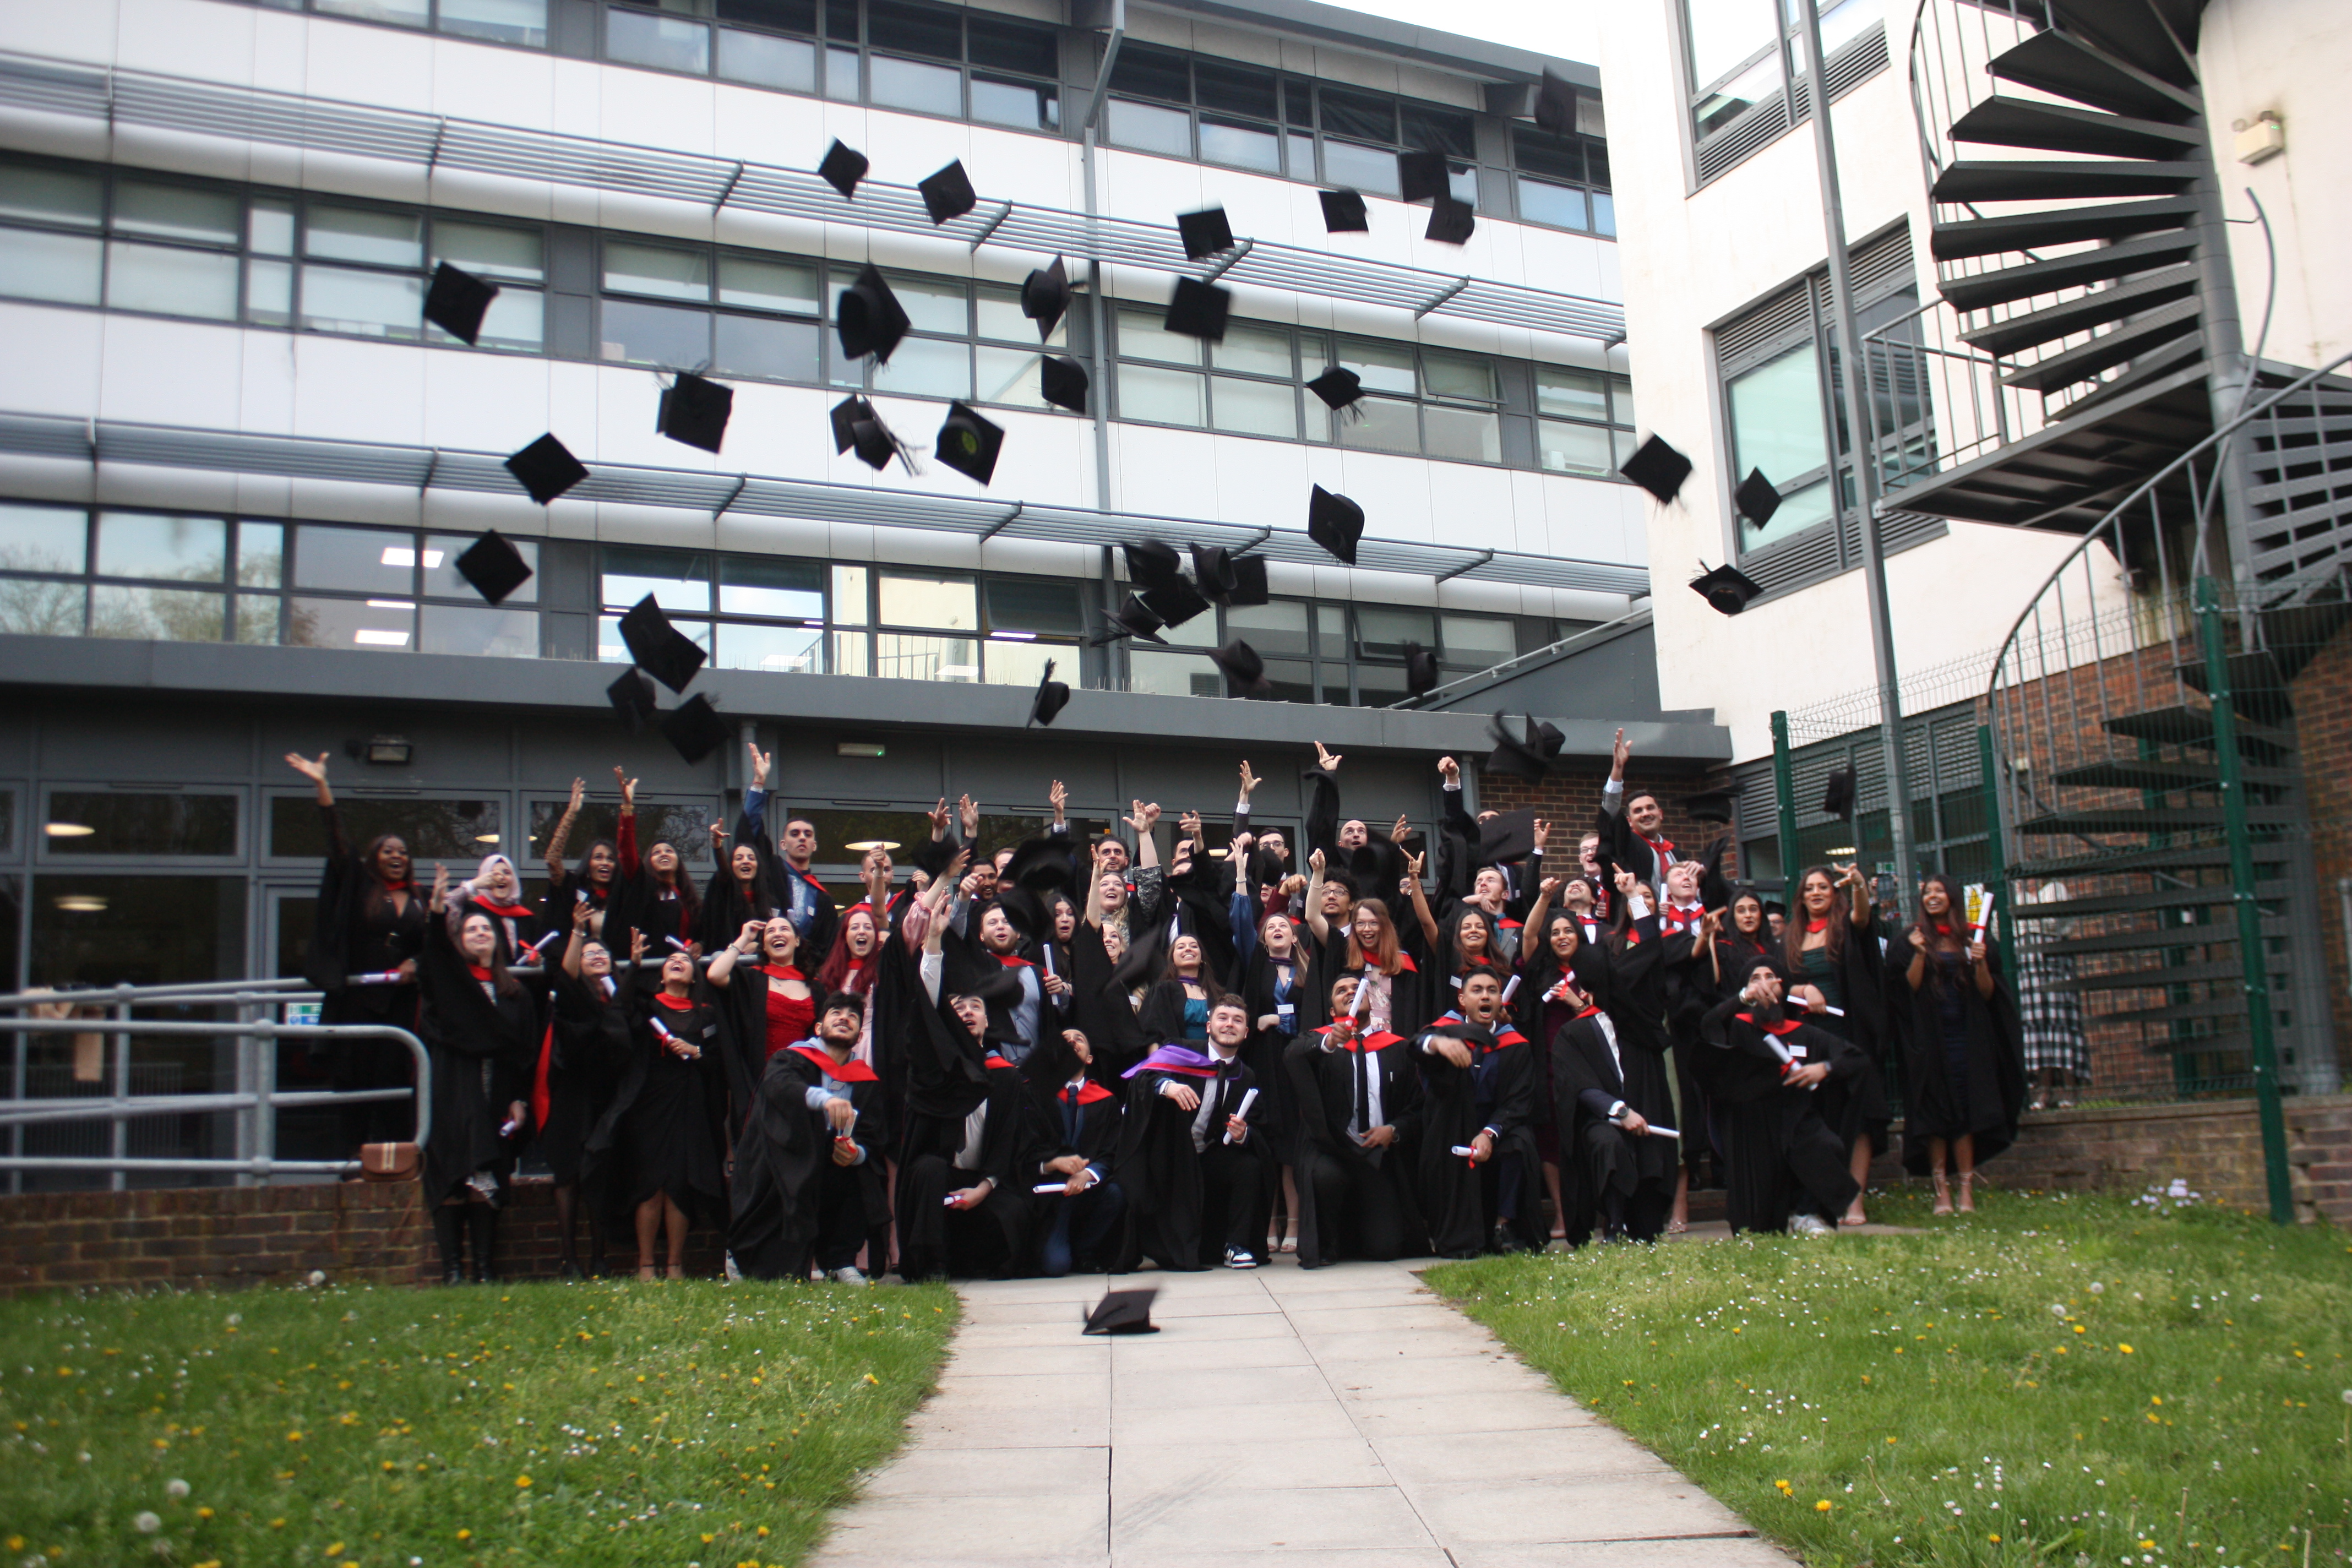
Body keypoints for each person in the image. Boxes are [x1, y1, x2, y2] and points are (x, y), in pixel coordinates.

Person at [285, 751, 427, 1153]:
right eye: (388, 851)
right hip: (360, 1001)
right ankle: (353, 1167)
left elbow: (431, 946)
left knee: (398, 1090)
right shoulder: (362, 887)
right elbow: (339, 843)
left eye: (403, 852)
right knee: (358, 1088)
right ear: (375, 858)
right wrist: (321, 785)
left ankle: (398, 1168)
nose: (397, 857)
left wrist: (416, 962)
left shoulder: (419, 898)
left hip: (402, 1003)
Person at [416, 865, 538, 1283]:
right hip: (451, 1090)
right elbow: (432, 957)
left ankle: (485, 1268)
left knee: (486, 1173)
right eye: (471, 930)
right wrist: (436, 913)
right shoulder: (450, 986)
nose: (480, 934)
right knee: (450, 1171)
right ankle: (454, 1269)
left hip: (495, 1092)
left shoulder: (515, 994)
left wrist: (518, 1098)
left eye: (486, 929)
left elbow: (524, 1052)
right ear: (460, 940)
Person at [1549, 873, 1678, 1242]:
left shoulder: (1640, 1024)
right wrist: (1619, 1112)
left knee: (1648, 1149)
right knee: (1609, 1142)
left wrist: (1635, 896)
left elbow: (1652, 952)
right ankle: (1615, 1224)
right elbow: (1577, 1086)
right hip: (1602, 1122)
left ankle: (1646, 1228)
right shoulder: (1575, 1032)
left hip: (1647, 1118)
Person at [589, 934, 727, 1280]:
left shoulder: (705, 1014)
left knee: (679, 1185)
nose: (677, 962)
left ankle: (676, 1264)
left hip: (689, 1105)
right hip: (649, 1105)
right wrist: (634, 966)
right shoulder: (647, 1009)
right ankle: (646, 1264)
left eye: (684, 961)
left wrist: (696, 1052)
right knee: (650, 1184)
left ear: (695, 977)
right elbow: (616, 1017)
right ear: (661, 976)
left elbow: (717, 1060)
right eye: (670, 962)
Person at [732, 990, 891, 1282]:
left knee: (862, 1172)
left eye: (853, 1017)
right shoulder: (791, 1058)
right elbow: (781, 1087)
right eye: (836, 1014)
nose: (845, 1018)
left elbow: (874, 1132)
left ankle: (840, 1261)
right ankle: (742, 1259)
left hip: (831, 1162)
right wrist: (825, 1100)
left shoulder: (864, 1078)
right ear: (818, 1028)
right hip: (782, 1156)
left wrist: (858, 1153)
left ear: (858, 1036)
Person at [1702, 955, 1864, 1236]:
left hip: (1796, 1116)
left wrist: (1824, 1068)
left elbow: (1855, 1058)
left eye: (1770, 978)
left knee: (1826, 1146)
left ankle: (1806, 1213)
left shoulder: (1806, 1033)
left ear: (1783, 988)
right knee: (1757, 1225)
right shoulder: (1738, 1027)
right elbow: (1708, 1023)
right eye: (1755, 979)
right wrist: (1745, 997)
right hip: (1752, 1123)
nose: (1763, 984)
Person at [1896, 874, 2027, 1214]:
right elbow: (1905, 991)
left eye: (1940, 891)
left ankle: (1967, 1188)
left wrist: (1980, 962)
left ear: (1953, 898)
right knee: (1937, 1111)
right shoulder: (1910, 939)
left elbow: (1987, 993)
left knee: (1967, 1111)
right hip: (1929, 1039)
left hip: (1969, 1038)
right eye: (1927, 892)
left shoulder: (1973, 939)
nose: (1933, 897)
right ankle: (1942, 1191)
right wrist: (1920, 955)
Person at [1118, 994, 1268, 1270]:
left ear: (1246, 1033)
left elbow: (1259, 1126)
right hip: (1168, 1154)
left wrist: (1242, 1134)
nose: (1229, 1025)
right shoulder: (1180, 1050)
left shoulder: (1245, 1075)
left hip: (1205, 1156)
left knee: (1248, 1166)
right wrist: (1167, 1086)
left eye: (1237, 1021)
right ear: (1209, 1026)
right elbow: (1142, 1077)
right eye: (1222, 1018)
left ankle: (1235, 1245)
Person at [1287, 973, 1425, 1267]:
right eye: (1341, 991)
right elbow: (1291, 1055)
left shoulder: (1396, 1048)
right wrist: (1327, 1041)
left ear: (1371, 1001)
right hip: (1332, 1151)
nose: (1350, 992)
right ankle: (1329, 1242)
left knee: (1386, 1248)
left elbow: (1417, 1106)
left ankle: (1360, 1235)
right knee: (1325, 1176)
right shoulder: (1318, 1044)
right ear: (1332, 1009)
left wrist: (1394, 1130)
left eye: (1356, 988)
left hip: (1377, 1154)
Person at [1784, 862, 1891, 1226]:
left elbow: (1863, 916)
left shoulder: (1847, 927)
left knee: (1858, 1118)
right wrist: (1803, 989)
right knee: (1822, 1119)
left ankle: (1855, 1200)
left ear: (1835, 894)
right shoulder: (1793, 936)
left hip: (1850, 1034)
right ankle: (1825, 1196)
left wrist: (1859, 885)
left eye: (1824, 888)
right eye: (1810, 888)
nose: (1816, 893)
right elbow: (1782, 983)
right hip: (1813, 1039)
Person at [1415, 967, 1542, 1257]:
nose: (1486, 996)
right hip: (1454, 1127)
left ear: (1501, 1000)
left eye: (1492, 990)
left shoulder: (1516, 1045)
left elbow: (1518, 1102)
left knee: (1521, 1142)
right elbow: (1417, 1047)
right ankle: (1459, 1235)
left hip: (1495, 1127)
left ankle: (1504, 1226)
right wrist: (1438, 1043)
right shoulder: (1445, 1034)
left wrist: (1489, 1133)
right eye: (1477, 990)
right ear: (1462, 999)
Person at [542, 897, 631, 1277]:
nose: (596, 956)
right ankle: (570, 1260)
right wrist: (579, 933)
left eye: (602, 953)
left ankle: (599, 1259)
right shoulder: (572, 999)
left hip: (605, 1100)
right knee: (569, 1177)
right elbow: (564, 981)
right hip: (571, 1096)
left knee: (603, 1176)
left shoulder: (618, 999)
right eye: (588, 953)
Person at [1229, 844, 1305, 1256]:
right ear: (1264, 936)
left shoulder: (1307, 970)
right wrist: (1261, 1022)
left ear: (1295, 935)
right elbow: (1242, 923)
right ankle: (1268, 1224)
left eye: (1284, 926)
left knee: (1292, 1149)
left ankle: (1294, 1223)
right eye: (1270, 926)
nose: (1277, 928)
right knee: (1266, 1145)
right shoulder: (1257, 964)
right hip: (1263, 1060)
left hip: (1294, 1063)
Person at [1027, 1028, 1126, 1277]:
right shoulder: (1033, 1095)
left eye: (1079, 1039)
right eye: (1064, 1040)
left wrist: (1088, 1174)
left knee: (1115, 1193)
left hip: (1087, 1194)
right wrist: (1051, 1164)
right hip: (1046, 1197)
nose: (1072, 1042)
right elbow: (1020, 1146)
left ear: (1090, 1058)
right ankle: (1057, 1246)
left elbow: (1112, 1150)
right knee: (1056, 1266)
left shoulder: (1106, 1101)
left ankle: (1085, 1251)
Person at [607, 766, 703, 968]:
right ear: (648, 862)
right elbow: (626, 851)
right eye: (656, 852)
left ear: (679, 860)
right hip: (648, 972)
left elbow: (699, 934)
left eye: (669, 851)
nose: (664, 854)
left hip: (683, 970)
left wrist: (699, 945)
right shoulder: (643, 886)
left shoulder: (689, 898)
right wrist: (627, 807)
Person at [541, 776, 618, 942]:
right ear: (588, 864)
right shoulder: (574, 887)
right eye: (598, 857)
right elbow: (552, 859)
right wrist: (572, 813)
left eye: (611, 859)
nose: (605, 862)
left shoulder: (621, 896)